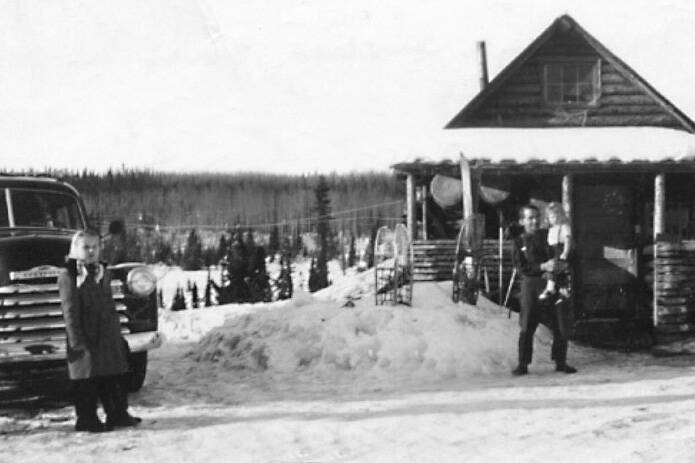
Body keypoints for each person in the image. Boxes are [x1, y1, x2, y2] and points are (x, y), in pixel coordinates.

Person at [59, 229, 142, 432]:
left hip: (107, 335)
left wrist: (116, 333)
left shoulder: (101, 271)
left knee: (113, 375)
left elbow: (109, 304)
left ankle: (117, 414)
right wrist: (76, 340)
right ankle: (87, 419)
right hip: (85, 337)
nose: (91, 251)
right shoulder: (70, 275)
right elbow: (70, 311)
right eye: (85, 247)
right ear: (75, 249)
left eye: (95, 247)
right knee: (86, 380)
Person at [511, 205, 577, 376]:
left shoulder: (549, 234)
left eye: (536, 217)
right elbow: (521, 267)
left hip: (554, 282)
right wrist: (542, 266)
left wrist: (561, 264)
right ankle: (523, 364)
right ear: (522, 221)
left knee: (560, 322)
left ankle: (560, 362)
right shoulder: (518, 242)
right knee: (527, 325)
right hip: (531, 286)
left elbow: (564, 251)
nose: (534, 221)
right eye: (530, 218)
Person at [538, 202, 572, 302]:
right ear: (548, 218)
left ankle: (550, 288)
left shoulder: (564, 227)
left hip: (561, 250)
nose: (555, 219)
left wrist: (565, 252)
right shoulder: (551, 229)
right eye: (552, 217)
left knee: (555, 269)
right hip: (552, 251)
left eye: (557, 216)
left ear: (561, 216)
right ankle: (563, 292)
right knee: (558, 272)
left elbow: (567, 240)